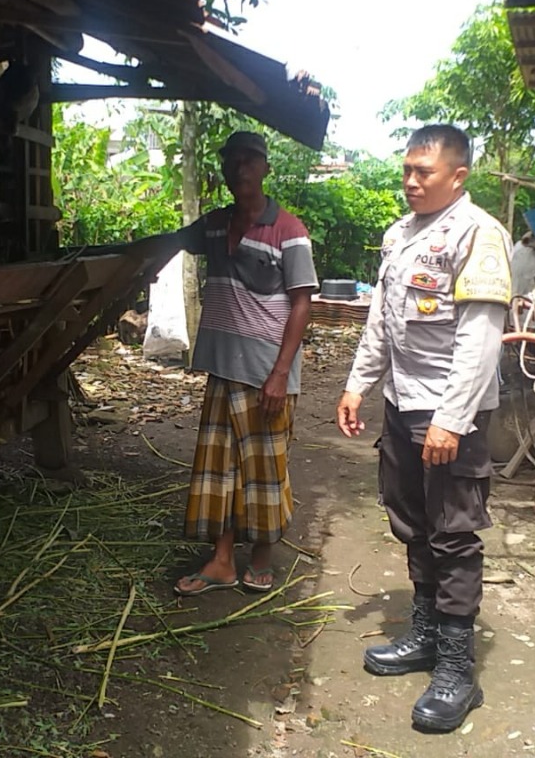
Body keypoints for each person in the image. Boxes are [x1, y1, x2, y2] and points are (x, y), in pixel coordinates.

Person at [335, 124, 512, 733]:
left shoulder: (479, 235)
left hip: (449, 411)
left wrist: (452, 419)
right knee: (409, 516)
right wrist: (358, 384)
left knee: (453, 532)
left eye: (424, 172)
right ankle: (427, 634)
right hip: (402, 401)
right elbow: (381, 323)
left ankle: (458, 671)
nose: (410, 181)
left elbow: (480, 339)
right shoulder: (399, 236)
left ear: (457, 176)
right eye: (406, 170)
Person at [166, 130, 318, 596]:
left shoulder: (289, 230)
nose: (240, 167)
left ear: (266, 168)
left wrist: (279, 374)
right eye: (232, 159)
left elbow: (302, 303)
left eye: (250, 159)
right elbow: (169, 242)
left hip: (267, 374)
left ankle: (262, 558)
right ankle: (222, 560)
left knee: (264, 471)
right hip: (223, 368)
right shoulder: (213, 226)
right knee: (219, 470)